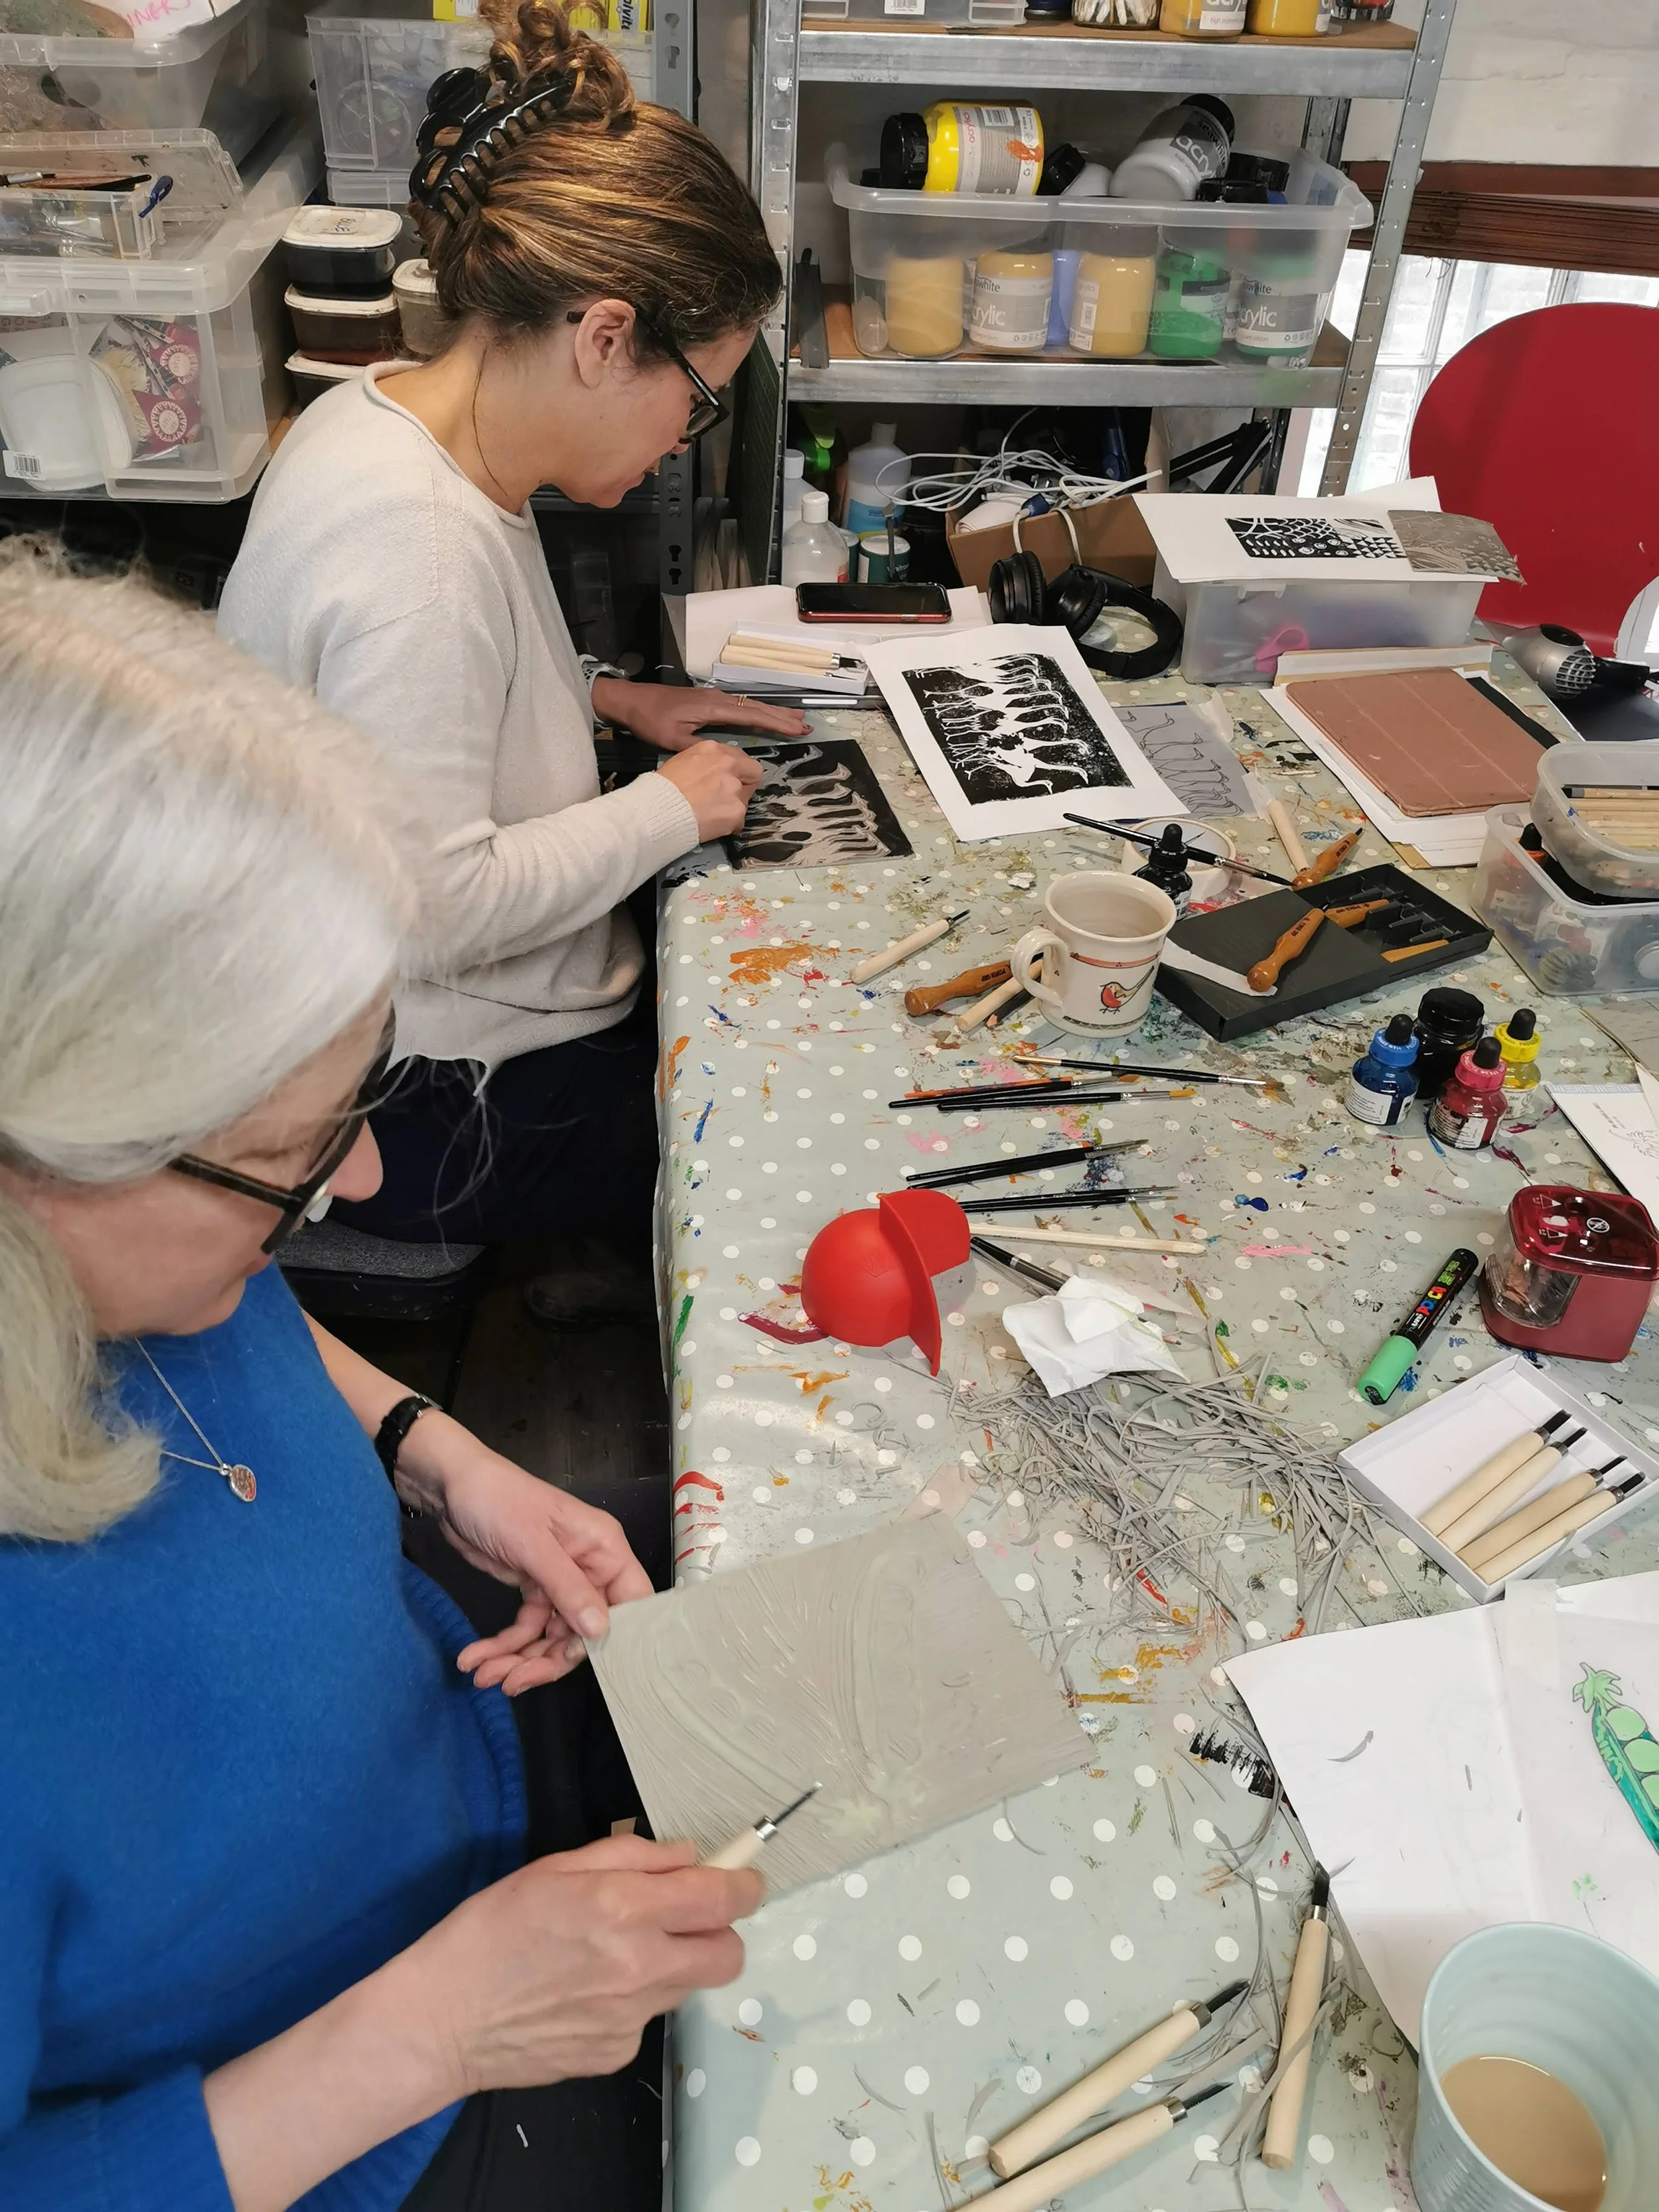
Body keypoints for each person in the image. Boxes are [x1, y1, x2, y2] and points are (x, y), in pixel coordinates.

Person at [0, 553, 761, 2212]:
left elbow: (228, 1300)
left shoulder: (115, 1235)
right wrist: (435, 2030)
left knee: (810, 1554)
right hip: (346, 2113)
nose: (353, 1187)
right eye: (291, 1155)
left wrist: (436, 1452)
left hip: (455, 1722)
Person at [219, 0, 807, 1321]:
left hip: (381, 1030)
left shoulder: (380, 415)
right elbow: (435, 902)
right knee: (776, 1112)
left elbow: (404, 703)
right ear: (603, 337)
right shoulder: (418, 555)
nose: (686, 438)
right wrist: (673, 808)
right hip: (423, 1096)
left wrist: (599, 692)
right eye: (698, 396)